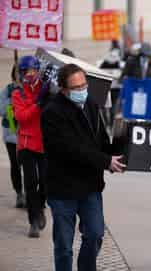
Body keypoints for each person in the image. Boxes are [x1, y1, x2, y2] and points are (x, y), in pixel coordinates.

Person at [41, 64, 126, 271]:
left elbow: (100, 142)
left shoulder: (91, 105)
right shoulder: (52, 113)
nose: (82, 91)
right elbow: (72, 149)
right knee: (64, 245)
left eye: (84, 85)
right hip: (63, 190)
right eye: (76, 88)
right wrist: (105, 161)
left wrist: (120, 141)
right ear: (63, 89)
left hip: (90, 187)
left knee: (95, 234)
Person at [12, 56, 48, 238]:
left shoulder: (46, 88)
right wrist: (37, 104)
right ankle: (33, 221)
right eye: (27, 71)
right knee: (31, 183)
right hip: (26, 144)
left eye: (34, 70)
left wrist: (48, 95)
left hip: (45, 143)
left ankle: (41, 207)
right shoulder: (18, 93)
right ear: (22, 73)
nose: (31, 74)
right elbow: (21, 117)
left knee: (46, 182)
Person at [121, 42, 151, 119]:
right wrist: (133, 83)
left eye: (148, 56)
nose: (146, 58)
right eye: (144, 56)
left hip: (149, 96)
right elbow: (123, 77)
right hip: (134, 96)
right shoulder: (131, 62)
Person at [0, 66, 24, 208]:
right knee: (15, 165)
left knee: (29, 167)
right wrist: (13, 99)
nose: (20, 75)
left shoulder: (31, 90)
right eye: (18, 72)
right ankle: (19, 193)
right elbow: (1, 109)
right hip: (11, 136)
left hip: (28, 136)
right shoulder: (8, 90)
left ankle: (30, 193)